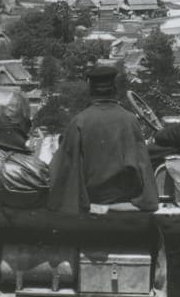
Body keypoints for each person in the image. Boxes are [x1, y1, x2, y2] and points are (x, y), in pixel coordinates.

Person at [47, 62, 159, 214]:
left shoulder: (79, 121)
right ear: (114, 90)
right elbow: (142, 167)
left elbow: (63, 169)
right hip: (124, 203)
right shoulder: (130, 120)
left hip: (91, 203)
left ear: (91, 91)